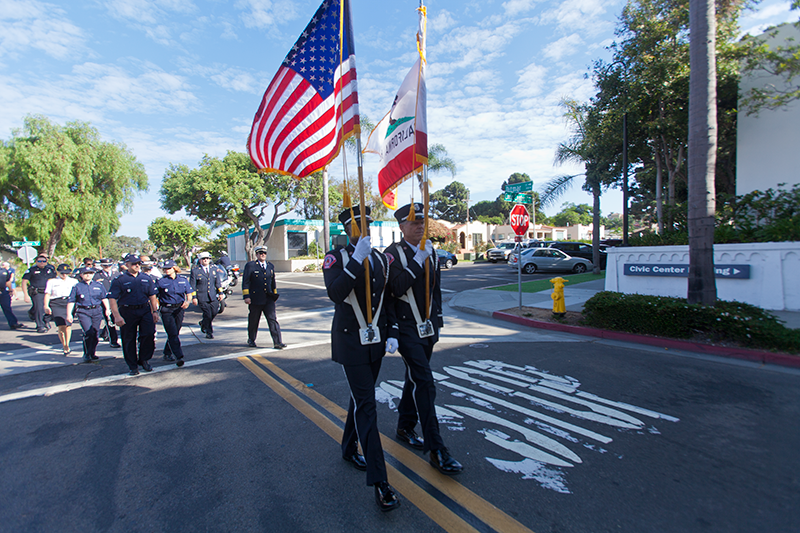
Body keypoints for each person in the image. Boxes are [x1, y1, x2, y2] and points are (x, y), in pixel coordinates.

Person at [323, 206, 401, 512]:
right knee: (368, 405)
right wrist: (356, 260)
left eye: (367, 222)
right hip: (350, 342)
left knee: (360, 399)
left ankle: (347, 447)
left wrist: (392, 329)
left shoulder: (381, 258)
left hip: (377, 341)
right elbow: (335, 292)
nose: (364, 227)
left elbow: (389, 299)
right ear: (347, 228)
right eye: (357, 224)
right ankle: (380, 482)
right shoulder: (337, 257)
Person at [384, 202, 463, 475]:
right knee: (425, 382)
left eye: (422, 222)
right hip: (406, 329)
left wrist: (437, 320)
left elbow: (435, 291)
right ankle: (436, 448)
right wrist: (417, 262)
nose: (420, 226)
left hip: (428, 328)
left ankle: (405, 426)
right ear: (401, 226)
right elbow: (394, 289)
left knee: (414, 379)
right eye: (414, 222)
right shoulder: (393, 254)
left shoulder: (430, 251)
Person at [109, 254, 159, 376]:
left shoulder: (146, 278)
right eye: (133, 264)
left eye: (138, 263)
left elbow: (152, 296)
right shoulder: (119, 280)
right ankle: (132, 365)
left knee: (148, 334)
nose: (137, 266)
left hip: (144, 310)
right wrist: (117, 316)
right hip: (127, 312)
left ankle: (144, 359)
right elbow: (112, 298)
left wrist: (155, 311)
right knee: (128, 339)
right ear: (127, 265)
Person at [242, 246, 285, 349]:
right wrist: (246, 296)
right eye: (260, 253)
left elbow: (272, 282)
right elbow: (246, 282)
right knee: (254, 320)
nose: (262, 255)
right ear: (256, 255)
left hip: (268, 298)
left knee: (273, 320)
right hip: (255, 298)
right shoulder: (251, 266)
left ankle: (277, 342)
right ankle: (251, 339)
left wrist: (274, 295)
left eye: (264, 253)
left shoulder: (270, 266)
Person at [66, 267, 110, 363]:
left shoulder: (99, 285)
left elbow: (104, 298)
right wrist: (69, 314)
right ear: (81, 275)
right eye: (85, 273)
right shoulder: (77, 286)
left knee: (95, 333)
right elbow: (71, 301)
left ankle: (92, 352)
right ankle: (87, 353)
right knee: (88, 332)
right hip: (83, 311)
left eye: (90, 273)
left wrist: (107, 309)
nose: (88, 275)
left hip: (96, 310)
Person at [156, 260, 192, 367]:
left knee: (175, 332)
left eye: (169, 268)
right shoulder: (161, 281)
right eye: (165, 268)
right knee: (172, 333)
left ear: (174, 268)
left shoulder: (183, 280)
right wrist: (156, 308)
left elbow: (189, 293)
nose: (166, 270)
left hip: (179, 309)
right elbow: (154, 296)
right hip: (167, 309)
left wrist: (188, 301)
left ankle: (167, 352)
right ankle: (178, 356)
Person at [43, 264, 78, 355]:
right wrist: (46, 306)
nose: (64, 275)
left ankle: (67, 344)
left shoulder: (74, 281)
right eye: (62, 273)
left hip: (69, 302)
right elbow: (47, 294)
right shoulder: (52, 281)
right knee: (61, 325)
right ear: (58, 272)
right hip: (56, 303)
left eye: (66, 273)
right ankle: (64, 344)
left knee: (68, 325)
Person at [190, 252, 223, 339]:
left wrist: (221, 292)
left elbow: (218, 282)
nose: (205, 260)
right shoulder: (195, 271)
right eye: (203, 259)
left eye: (207, 258)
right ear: (200, 260)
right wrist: (194, 297)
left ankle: (203, 323)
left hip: (212, 295)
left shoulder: (213, 269)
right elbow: (192, 286)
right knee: (207, 314)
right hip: (202, 296)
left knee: (214, 312)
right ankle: (209, 332)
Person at [21, 254, 56, 332]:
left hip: (48, 292)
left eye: (44, 261)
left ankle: (46, 321)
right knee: (39, 309)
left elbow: (54, 280)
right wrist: (25, 295)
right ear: (36, 262)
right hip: (37, 292)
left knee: (50, 308)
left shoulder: (50, 269)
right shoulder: (31, 270)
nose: (42, 263)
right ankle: (40, 326)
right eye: (39, 261)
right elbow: (24, 282)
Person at [93, 258, 121, 348]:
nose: (107, 267)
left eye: (109, 265)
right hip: (105, 300)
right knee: (110, 321)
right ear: (101, 266)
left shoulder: (117, 274)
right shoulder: (97, 276)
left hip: (117, 300)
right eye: (105, 266)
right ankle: (113, 340)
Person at [1, 262, 24, 330]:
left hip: (3, 292)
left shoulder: (4, 271)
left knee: (7, 308)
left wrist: (10, 290)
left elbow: (7, 282)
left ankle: (13, 323)